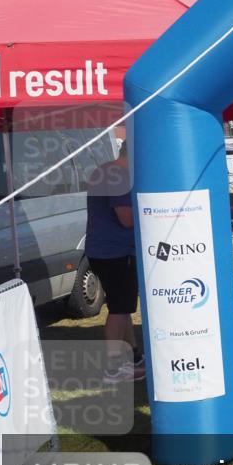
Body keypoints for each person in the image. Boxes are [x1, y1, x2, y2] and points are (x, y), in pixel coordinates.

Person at [85, 141, 143, 383]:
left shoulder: (105, 169)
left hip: (103, 250)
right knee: (120, 309)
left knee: (123, 305)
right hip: (116, 252)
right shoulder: (120, 174)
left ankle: (134, 357)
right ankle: (113, 368)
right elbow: (127, 219)